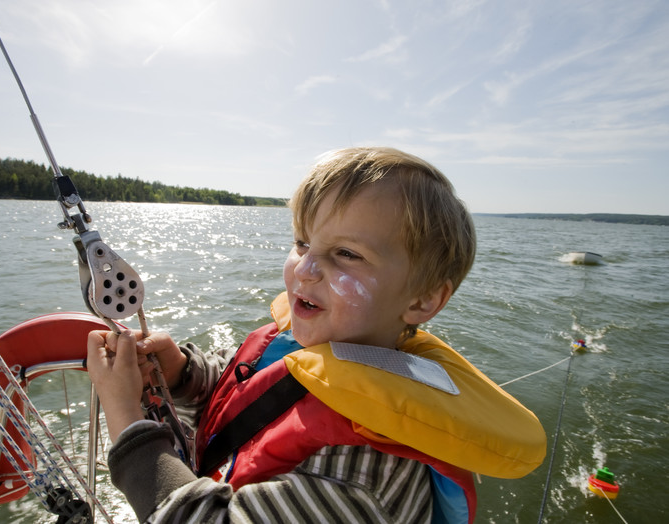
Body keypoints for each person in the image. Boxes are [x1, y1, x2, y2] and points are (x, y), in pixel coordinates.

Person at [87, 147, 546, 523]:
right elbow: (248, 401)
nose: (304, 270)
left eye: (346, 253)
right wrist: (185, 374)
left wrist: (125, 417)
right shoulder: (303, 341)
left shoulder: (366, 472)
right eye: (302, 242)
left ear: (423, 299)